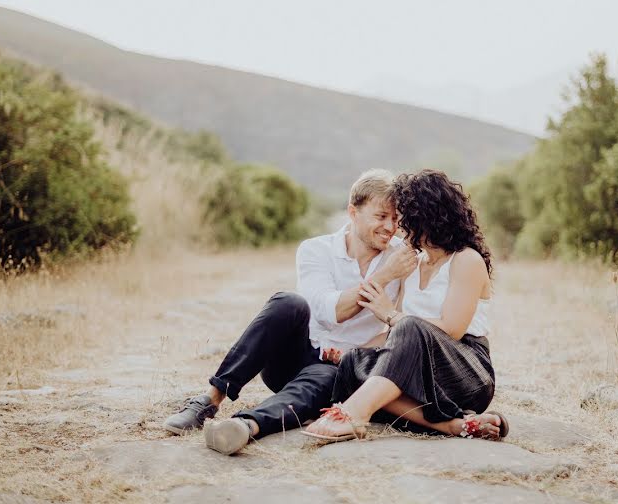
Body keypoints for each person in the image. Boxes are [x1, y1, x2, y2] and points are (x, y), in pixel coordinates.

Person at [162, 169, 417, 455]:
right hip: (292, 357)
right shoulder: (316, 250)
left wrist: (355, 356)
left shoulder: (403, 259)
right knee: (289, 302)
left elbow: (402, 329)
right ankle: (209, 399)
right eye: (381, 216)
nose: (390, 227)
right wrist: (385, 275)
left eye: (396, 219)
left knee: (326, 379)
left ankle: (243, 427)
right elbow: (331, 311)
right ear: (353, 212)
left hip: (342, 367)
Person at [301, 169, 508, 442]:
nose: (395, 228)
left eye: (402, 218)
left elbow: (452, 329)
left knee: (409, 324)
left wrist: (390, 314)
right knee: (353, 362)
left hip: (465, 370)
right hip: (417, 370)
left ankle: (354, 414)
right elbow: (396, 338)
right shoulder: (413, 264)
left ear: (426, 217)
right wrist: (350, 351)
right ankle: (453, 425)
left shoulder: (466, 260)